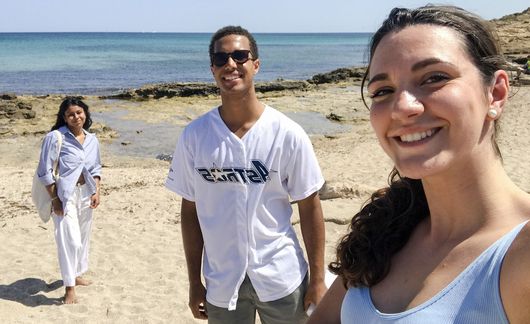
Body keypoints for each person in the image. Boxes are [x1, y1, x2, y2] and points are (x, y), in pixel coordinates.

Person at [308, 5, 530, 324]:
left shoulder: (520, 253)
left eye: (433, 78)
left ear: (495, 93)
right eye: (383, 90)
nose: (402, 107)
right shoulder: (384, 230)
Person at [166, 26, 326, 323]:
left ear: (256, 64)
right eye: (221, 58)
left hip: (282, 277)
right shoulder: (195, 136)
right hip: (222, 283)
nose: (231, 64)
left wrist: (317, 280)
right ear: (212, 68)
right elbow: (190, 210)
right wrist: (193, 283)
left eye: (240, 55)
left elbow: (309, 205)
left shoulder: (287, 133)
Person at [36, 97, 102, 304]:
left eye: (79, 112)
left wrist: (96, 191)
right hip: (64, 195)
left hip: (86, 193)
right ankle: (69, 288)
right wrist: (55, 199)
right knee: (69, 240)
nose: (76, 117)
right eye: (71, 114)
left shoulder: (93, 140)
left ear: (86, 114)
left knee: (82, 237)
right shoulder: (55, 137)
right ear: (64, 117)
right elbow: (44, 172)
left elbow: (96, 169)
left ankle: (77, 274)